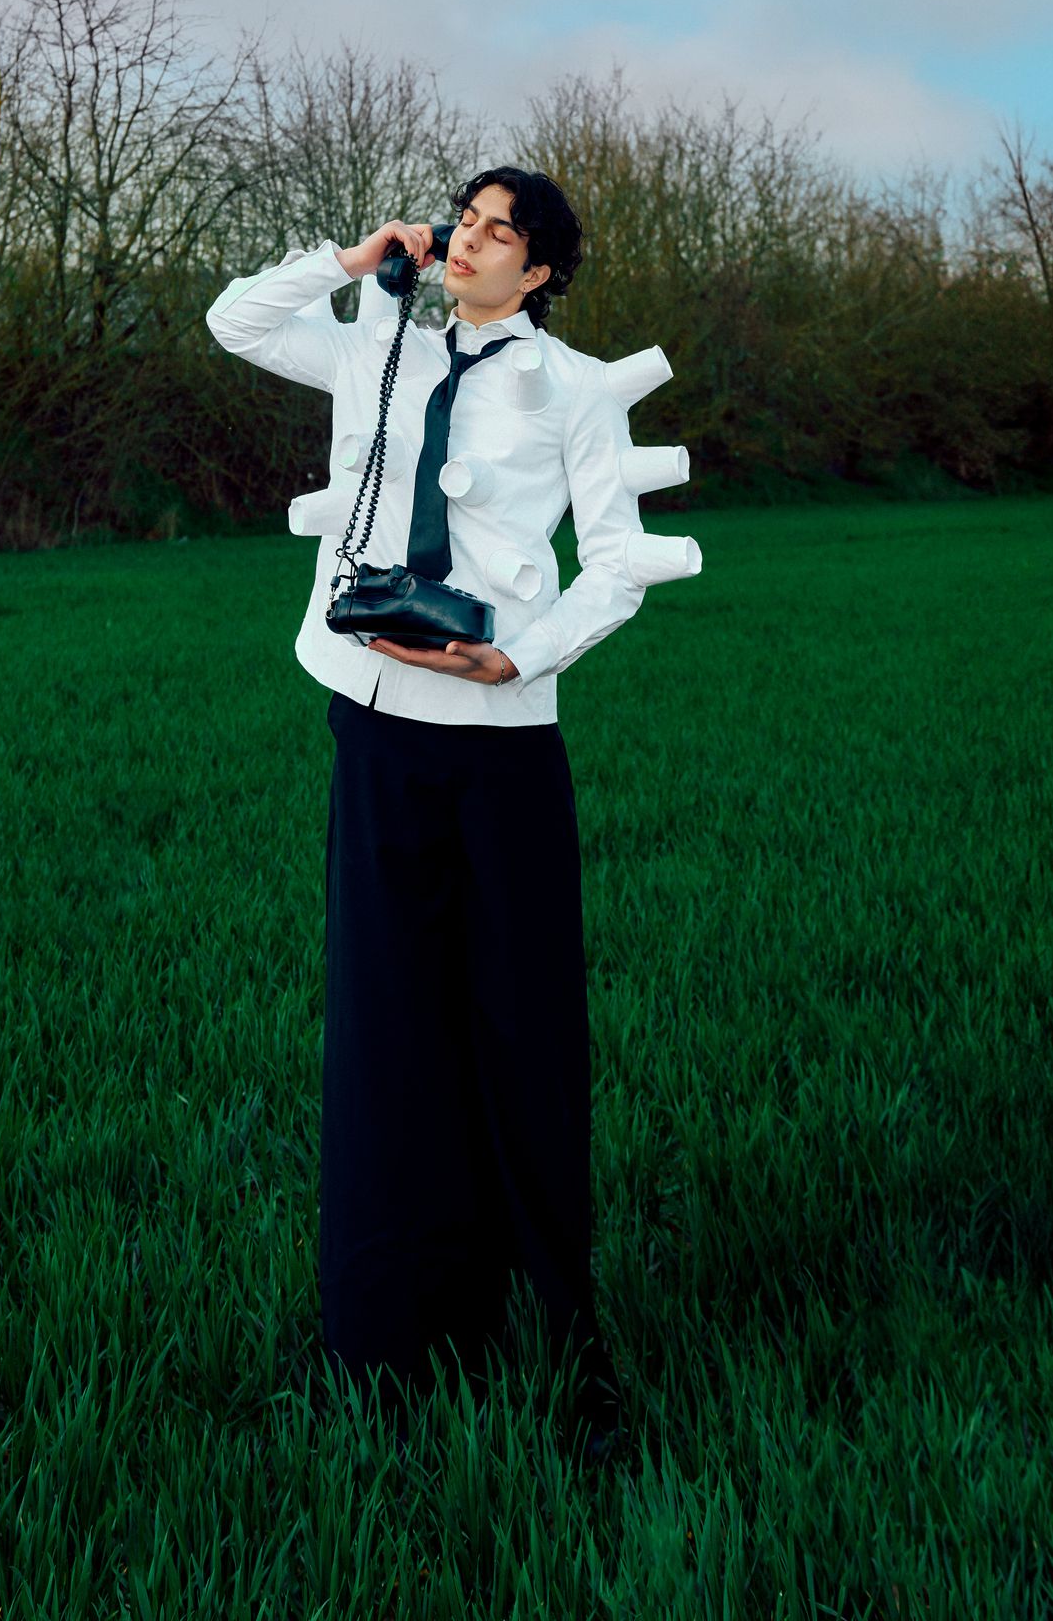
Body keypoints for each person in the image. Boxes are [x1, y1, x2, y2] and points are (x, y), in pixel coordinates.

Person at [204, 167, 647, 1464]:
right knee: (390, 1038)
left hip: (504, 748)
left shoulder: (574, 391)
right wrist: (356, 257)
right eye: (463, 218)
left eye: (500, 232)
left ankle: (563, 1338)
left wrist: (526, 657)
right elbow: (235, 322)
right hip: (376, 726)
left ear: (545, 271)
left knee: (522, 1037)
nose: (469, 241)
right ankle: (389, 1340)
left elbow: (616, 564)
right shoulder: (377, 347)